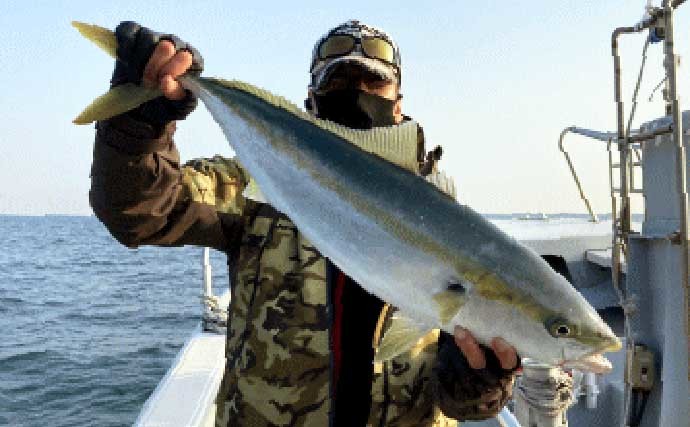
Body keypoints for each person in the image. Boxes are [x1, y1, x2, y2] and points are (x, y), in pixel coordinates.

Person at [89, 20, 519, 427]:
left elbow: (460, 403)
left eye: (375, 83)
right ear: (311, 100)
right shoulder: (253, 186)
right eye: (338, 83)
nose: (358, 94)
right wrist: (140, 122)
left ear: (398, 103)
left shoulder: (439, 213)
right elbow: (141, 210)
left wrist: (481, 378)